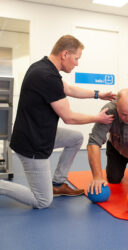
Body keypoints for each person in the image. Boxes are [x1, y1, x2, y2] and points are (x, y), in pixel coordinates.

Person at [0, 34, 116, 209]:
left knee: (76, 138)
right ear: (65, 54)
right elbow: (69, 118)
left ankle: (58, 183)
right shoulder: (46, 76)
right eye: (76, 58)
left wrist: (99, 94)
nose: (77, 63)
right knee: (42, 201)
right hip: (32, 144)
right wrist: (97, 118)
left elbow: (68, 88)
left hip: (40, 132)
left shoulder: (44, 67)